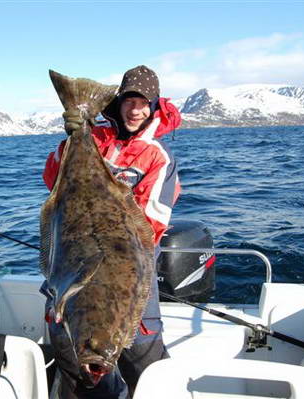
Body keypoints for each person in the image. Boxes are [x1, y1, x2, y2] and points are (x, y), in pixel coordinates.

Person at [42, 65, 182, 398]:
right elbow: (52, 180)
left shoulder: (157, 157)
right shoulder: (93, 138)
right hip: (73, 255)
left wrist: (111, 223)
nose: (136, 110)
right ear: (118, 103)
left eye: (144, 103)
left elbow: (152, 222)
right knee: (64, 338)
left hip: (129, 263)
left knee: (142, 349)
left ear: (154, 106)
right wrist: (72, 138)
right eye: (129, 101)